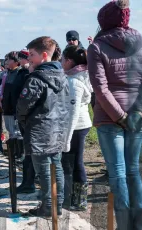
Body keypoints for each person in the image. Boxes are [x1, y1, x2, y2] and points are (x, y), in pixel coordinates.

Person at [87, 0, 142, 228]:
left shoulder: (97, 47)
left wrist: (119, 116)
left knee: (118, 173)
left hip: (110, 117)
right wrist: (137, 111)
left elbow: (100, 88)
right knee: (133, 170)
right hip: (136, 116)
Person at [17, 36, 70, 217]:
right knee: (56, 166)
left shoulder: (37, 79)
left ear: (44, 55)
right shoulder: (62, 76)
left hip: (39, 130)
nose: (29, 58)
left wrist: (23, 120)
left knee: (44, 170)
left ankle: (48, 206)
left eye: (32, 54)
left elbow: (23, 106)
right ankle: (57, 204)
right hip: (58, 129)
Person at [61, 46, 93, 210]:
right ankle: (71, 197)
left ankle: (80, 200)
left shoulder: (74, 82)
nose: (60, 62)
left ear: (69, 61)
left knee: (76, 163)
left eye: (62, 59)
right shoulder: (76, 77)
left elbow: (73, 112)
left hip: (77, 127)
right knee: (71, 163)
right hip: (76, 126)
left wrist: (66, 139)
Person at [15, 49, 36, 194]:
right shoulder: (23, 73)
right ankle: (27, 183)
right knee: (29, 154)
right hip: (26, 119)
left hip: (33, 121)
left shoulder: (34, 77)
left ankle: (30, 184)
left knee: (32, 155)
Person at [0, 51, 21, 139]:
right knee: (9, 130)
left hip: (15, 109)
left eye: (9, 59)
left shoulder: (20, 74)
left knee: (17, 132)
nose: (6, 61)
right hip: (6, 107)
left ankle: (18, 151)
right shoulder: (5, 74)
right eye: (6, 59)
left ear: (16, 62)